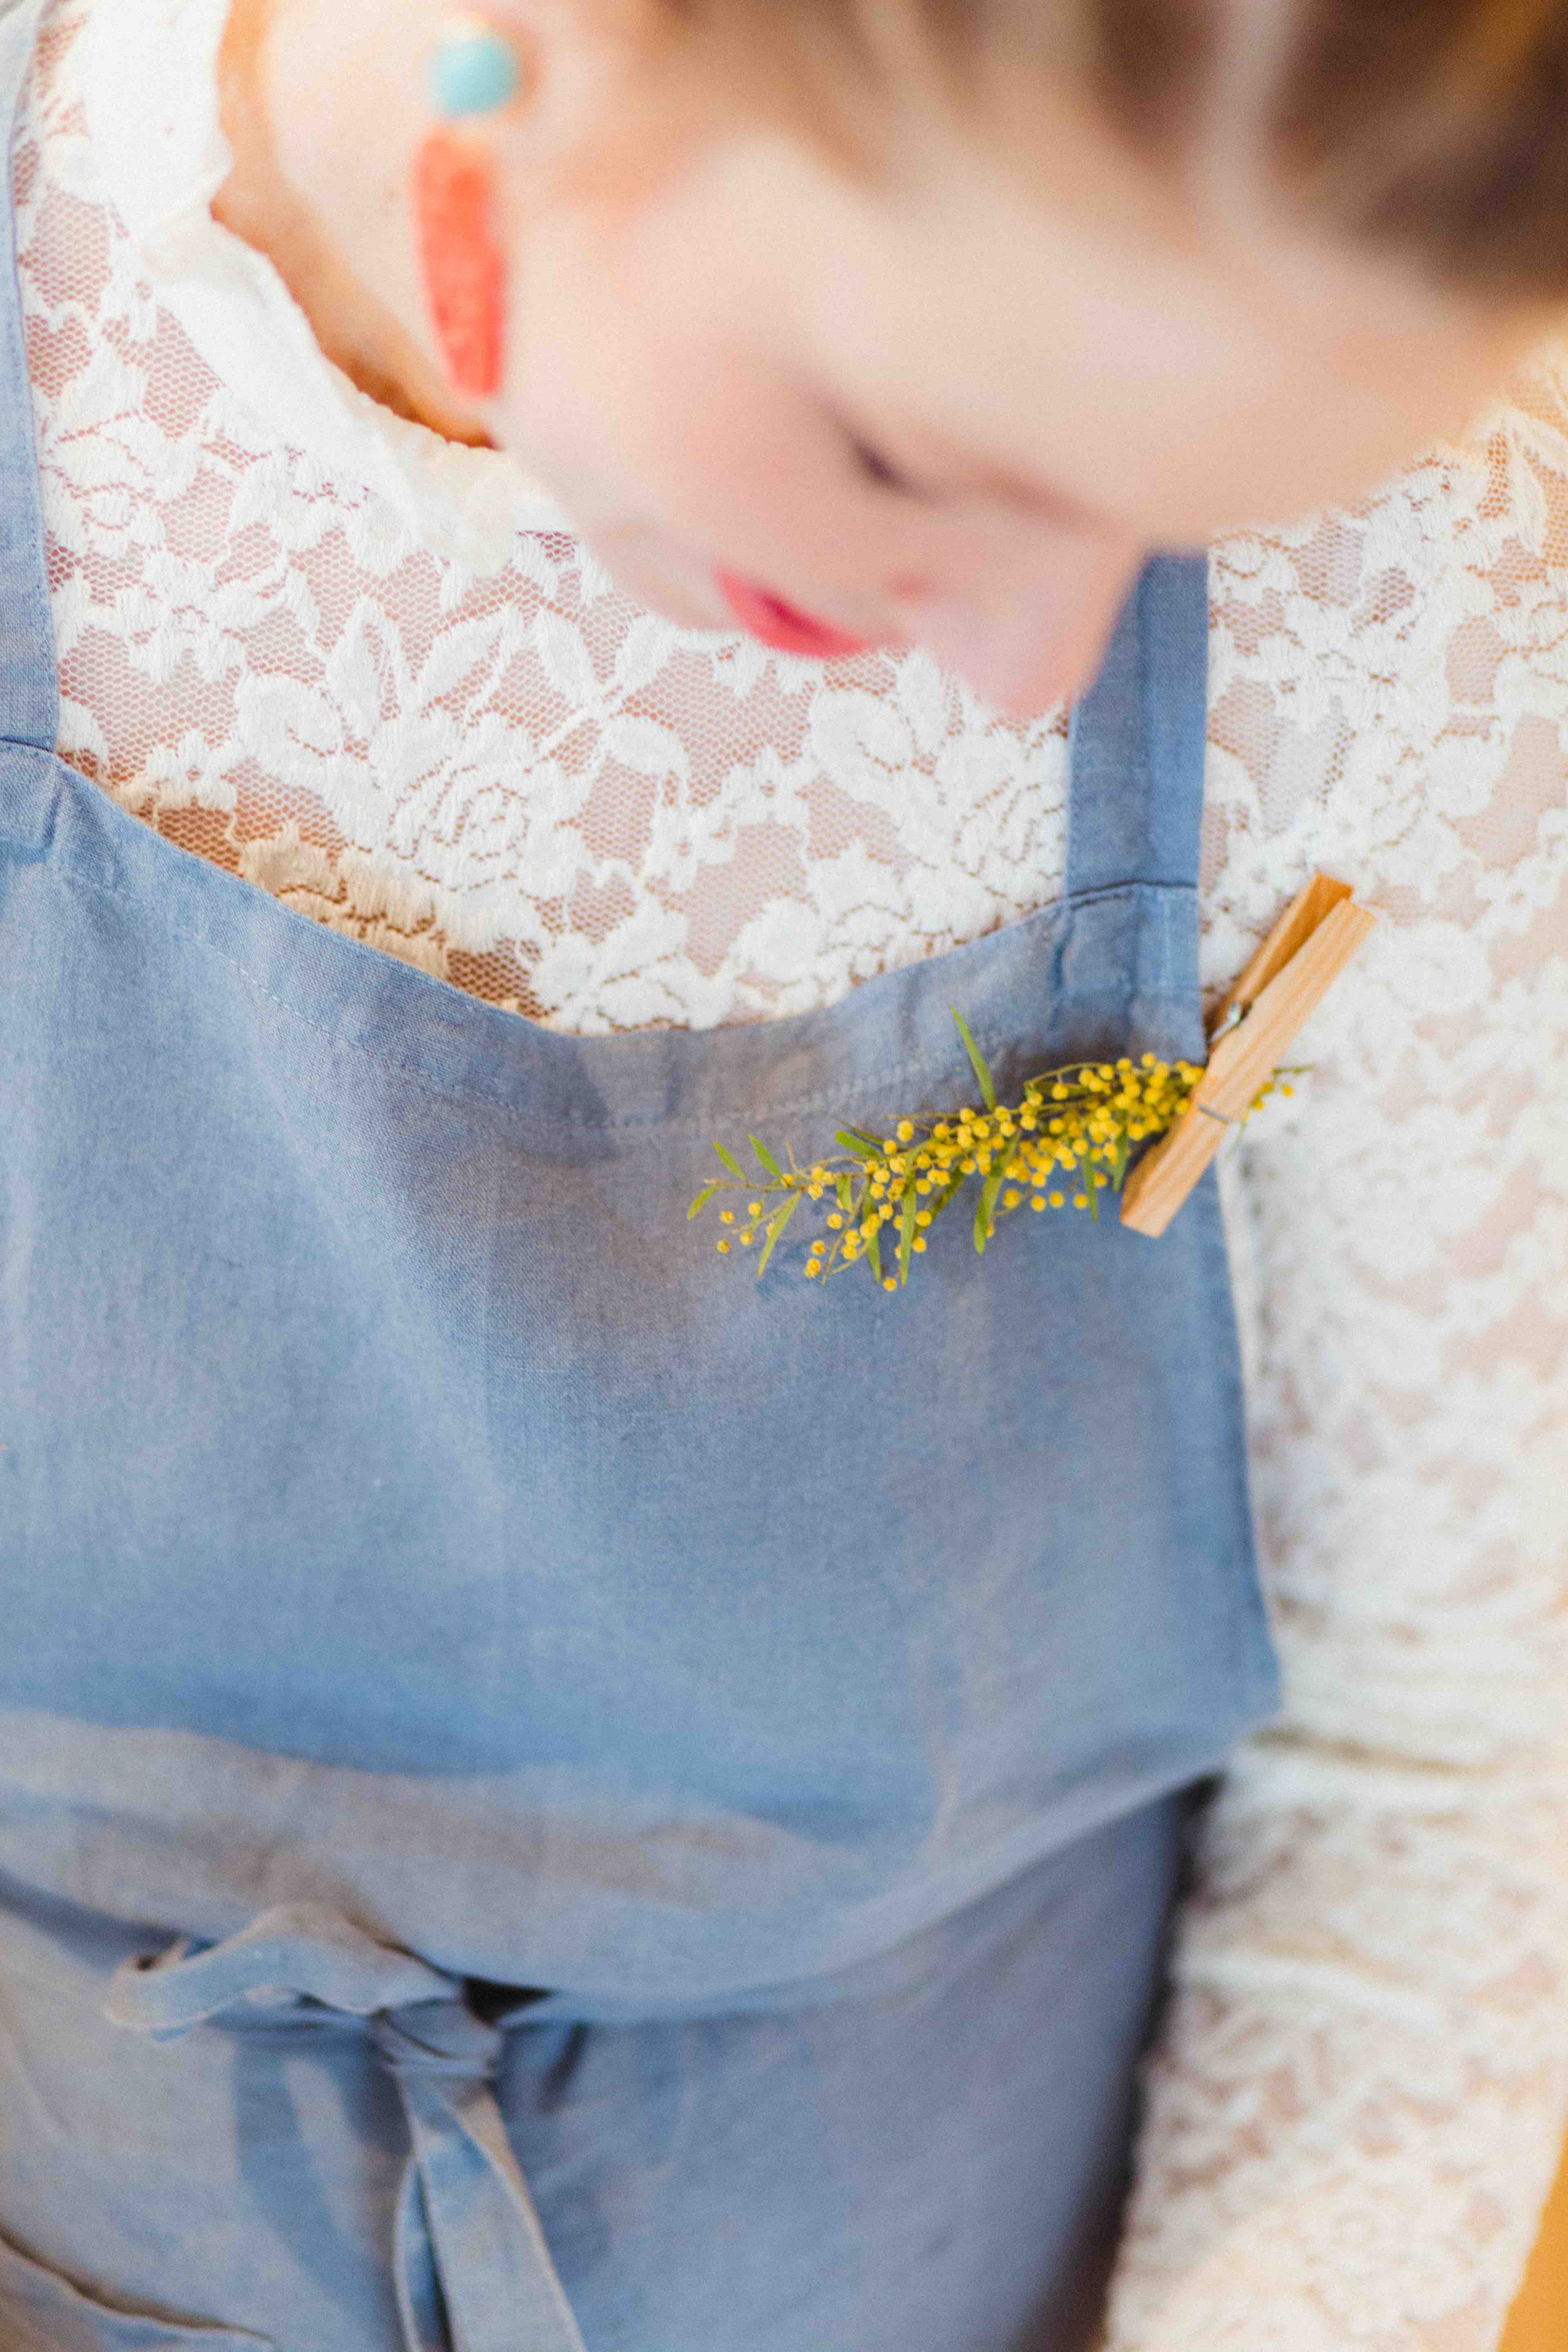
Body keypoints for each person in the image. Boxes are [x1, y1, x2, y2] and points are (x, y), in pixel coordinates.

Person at [0, 0, 1564, 2346]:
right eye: (914, 452)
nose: (1044, 668)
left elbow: (1440, 1761)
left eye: (1181, 530)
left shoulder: (1411, 625)